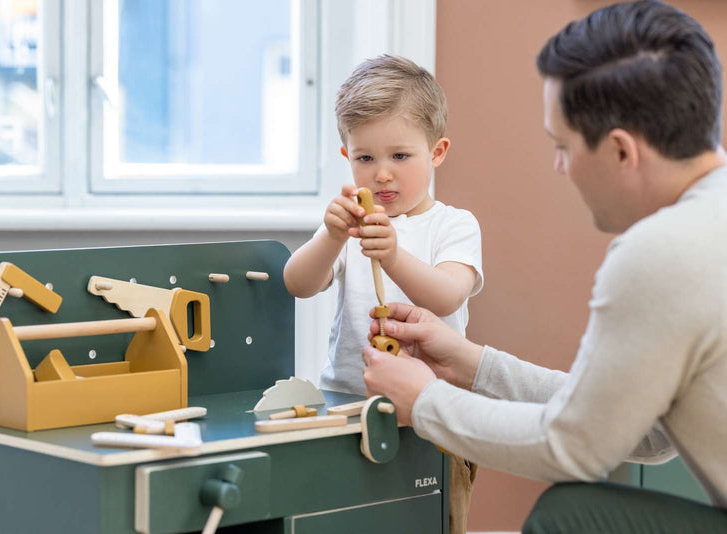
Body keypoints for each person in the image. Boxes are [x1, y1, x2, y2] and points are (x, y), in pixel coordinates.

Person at [361, 1, 727, 532]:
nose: (559, 166)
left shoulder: (660, 254)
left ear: (622, 152)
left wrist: (425, 403)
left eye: (562, 146)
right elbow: (635, 429)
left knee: (569, 515)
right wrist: (467, 362)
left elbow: (573, 447)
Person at [284, 54, 483, 395]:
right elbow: (298, 284)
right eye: (365, 158)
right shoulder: (349, 224)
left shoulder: (454, 225)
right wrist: (331, 238)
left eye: (400, 156)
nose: (382, 174)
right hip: (347, 396)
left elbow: (447, 297)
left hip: (432, 401)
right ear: (347, 156)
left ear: (437, 152)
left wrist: (392, 256)